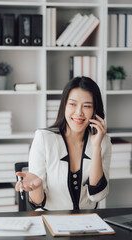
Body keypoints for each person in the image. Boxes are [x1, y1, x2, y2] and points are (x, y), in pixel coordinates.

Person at [15, 76, 111, 210]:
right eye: (72, 104)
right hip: (52, 221)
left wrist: (96, 147)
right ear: (64, 106)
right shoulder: (43, 138)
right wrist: (35, 188)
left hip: (88, 222)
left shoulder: (103, 141)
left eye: (87, 106)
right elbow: (38, 203)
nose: (79, 113)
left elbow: (98, 196)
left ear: (95, 111)